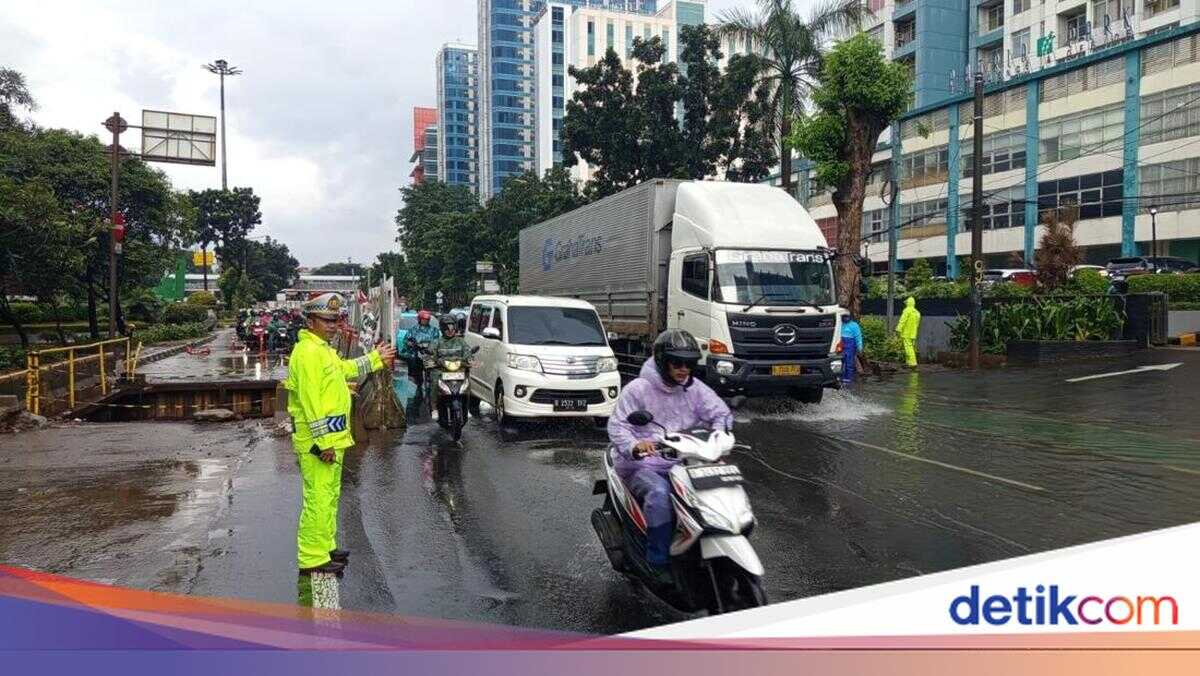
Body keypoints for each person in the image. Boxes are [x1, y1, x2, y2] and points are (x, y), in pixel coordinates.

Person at [607, 330, 733, 584]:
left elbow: (720, 413)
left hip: (687, 461)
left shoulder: (696, 389)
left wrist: (720, 434)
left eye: (689, 363)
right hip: (645, 465)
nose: (684, 369)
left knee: (719, 490)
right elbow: (618, 426)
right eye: (677, 362)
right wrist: (635, 445)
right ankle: (657, 561)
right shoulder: (638, 389)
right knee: (660, 496)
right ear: (663, 362)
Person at [284, 292, 396, 576]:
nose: (334, 325)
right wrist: (322, 443)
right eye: (327, 320)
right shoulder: (309, 353)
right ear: (311, 321)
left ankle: (325, 547)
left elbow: (343, 369)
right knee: (318, 499)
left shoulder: (322, 349)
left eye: (337, 319)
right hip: (317, 441)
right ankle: (312, 559)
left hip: (332, 439)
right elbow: (311, 403)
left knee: (329, 496)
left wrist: (374, 359)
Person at [427, 313, 471, 428]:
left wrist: (469, 359)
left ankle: (467, 407)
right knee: (434, 378)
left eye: (452, 327)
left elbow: (468, 352)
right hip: (441, 371)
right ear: (442, 328)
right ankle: (434, 408)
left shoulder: (461, 341)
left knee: (467, 379)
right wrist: (431, 361)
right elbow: (430, 355)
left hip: (458, 370)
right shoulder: (437, 342)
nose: (450, 330)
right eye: (447, 328)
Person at [403, 310, 442, 394]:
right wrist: (411, 344)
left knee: (434, 371)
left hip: (430, 354)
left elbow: (437, 340)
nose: (425, 321)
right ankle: (416, 383)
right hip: (417, 353)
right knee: (413, 363)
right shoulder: (413, 330)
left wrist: (431, 347)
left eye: (427, 319)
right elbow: (406, 340)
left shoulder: (433, 330)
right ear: (419, 319)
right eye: (424, 319)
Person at [895, 296, 921, 368]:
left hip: (906, 333)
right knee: (911, 347)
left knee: (908, 348)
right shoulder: (917, 312)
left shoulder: (907, 310)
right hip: (913, 333)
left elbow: (902, 320)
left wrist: (898, 329)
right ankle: (908, 362)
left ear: (908, 303)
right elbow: (917, 324)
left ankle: (912, 363)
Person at [840, 312, 864, 384]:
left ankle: (849, 379)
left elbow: (858, 337)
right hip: (840, 343)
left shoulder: (854, 325)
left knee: (849, 362)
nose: (845, 318)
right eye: (844, 317)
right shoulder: (840, 324)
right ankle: (841, 378)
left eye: (847, 316)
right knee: (840, 362)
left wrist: (860, 347)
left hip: (850, 344)